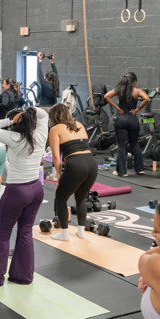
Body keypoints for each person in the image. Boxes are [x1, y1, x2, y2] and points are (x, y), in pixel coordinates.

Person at [0, 107, 49, 287]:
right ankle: (23, 276)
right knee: (25, 232)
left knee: (3, 236)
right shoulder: (40, 136)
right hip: (36, 189)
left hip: (17, 192)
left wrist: (11, 120)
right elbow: (45, 115)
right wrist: (32, 110)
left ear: (17, 123)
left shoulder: (14, 138)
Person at [48, 103, 98, 241]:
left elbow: (56, 156)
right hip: (92, 164)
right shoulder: (79, 125)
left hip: (76, 165)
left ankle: (64, 234)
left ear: (53, 116)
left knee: (61, 197)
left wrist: (58, 175)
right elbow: (80, 148)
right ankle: (80, 231)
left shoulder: (55, 129)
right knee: (81, 197)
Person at [104, 72, 150, 177]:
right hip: (133, 120)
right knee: (134, 144)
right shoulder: (137, 91)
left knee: (121, 145)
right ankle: (140, 169)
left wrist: (117, 108)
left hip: (121, 119)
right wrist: (138, 109)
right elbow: (146, 99)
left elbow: (106, 96)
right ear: (134, 82)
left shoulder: (119, 90)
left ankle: (122, 172)